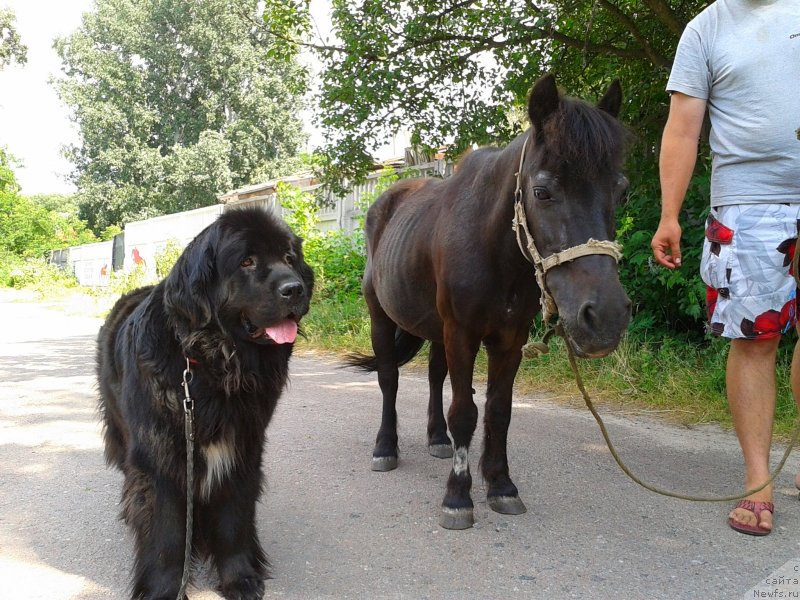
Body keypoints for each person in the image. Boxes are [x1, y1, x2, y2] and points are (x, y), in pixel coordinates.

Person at [651, 0, 800, 536]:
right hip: (748, 204)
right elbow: (683, 131)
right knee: (757, 340)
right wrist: (669, 214)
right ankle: (759, 480)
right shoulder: (706, 28)